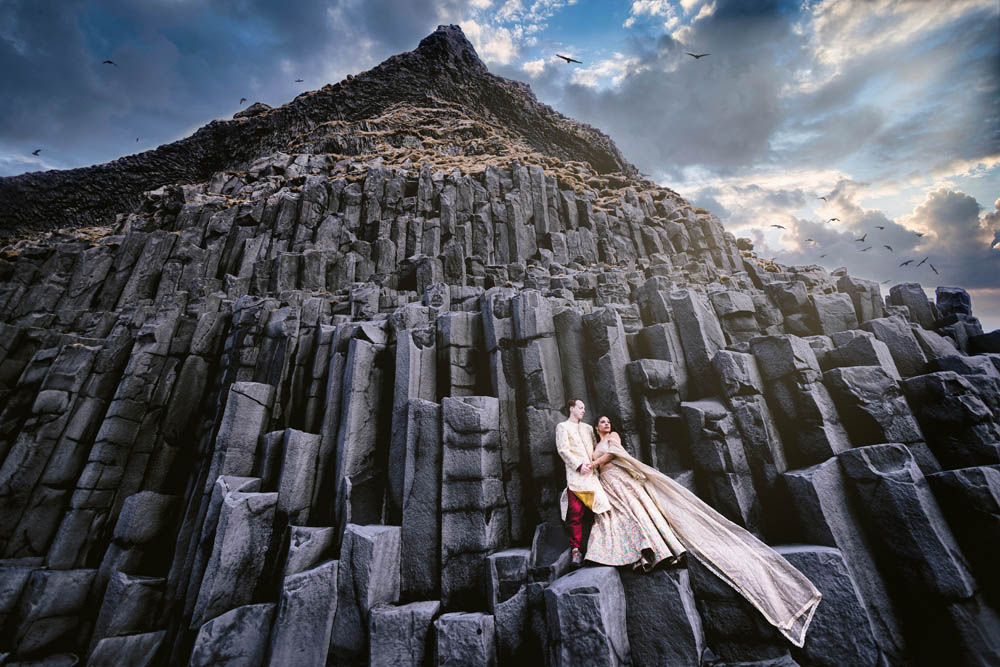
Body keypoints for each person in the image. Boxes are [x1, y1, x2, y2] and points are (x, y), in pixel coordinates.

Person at [585, 415, 822, 649]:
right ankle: (638, 552)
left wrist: (593, 464)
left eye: (608, 421)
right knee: (623, 518)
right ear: (596, 427)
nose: (607, 424)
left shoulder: (611, 438)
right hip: (608, 484)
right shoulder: (594, 444)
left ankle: (659, 548)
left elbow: (613, 454)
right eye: (602, 422)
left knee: (639, 512)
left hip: (620, 479)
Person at [555, 398, 609, 566]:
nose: (583, 410)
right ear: (571, 408)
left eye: (584, 408)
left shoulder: (587, 428)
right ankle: (576, 551)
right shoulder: (562, 427)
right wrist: (578, 466)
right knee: (575, 514)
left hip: (593, 477)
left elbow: (594, 449)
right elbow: (563, 450)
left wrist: (596, 467)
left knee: (602, 510)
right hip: (576, 479)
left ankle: (602, 550)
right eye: (580, 407)